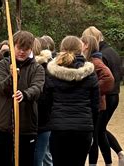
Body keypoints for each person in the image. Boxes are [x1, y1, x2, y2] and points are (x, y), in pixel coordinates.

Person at [0, 31, 45, 166]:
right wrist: (12, 78)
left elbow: (37, 88)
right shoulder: (3, 65)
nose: (22, 52)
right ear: (12, 46)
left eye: (26, 49)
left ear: (31, 49)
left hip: (26, 128)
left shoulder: (37, 68)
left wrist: (25, 94)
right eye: (19, 48)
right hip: (3, 126)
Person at [45, 36, 98, 166]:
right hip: (83, 127)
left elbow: (46, 102)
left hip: (59, 127)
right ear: (80, 49)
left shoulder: (51, 73)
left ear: (61, 49)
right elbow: (95, 105)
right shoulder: (90, 74)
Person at [82, 26, 124, 166]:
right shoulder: (112, 51)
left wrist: (95, 91)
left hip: (106, 96)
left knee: (97, 132)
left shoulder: (100, 55)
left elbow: (107, 77)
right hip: (115, 94)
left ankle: (114, 157)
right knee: (101, 130)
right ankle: (120, 155)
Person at [81, 35, 115, 166]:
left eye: (81, 42)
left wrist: (93, 90)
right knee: (97, 135)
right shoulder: (88, 61)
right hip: (93, 106)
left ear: (86, 45)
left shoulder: (95, 62)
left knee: (94, 137)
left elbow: (108, 78)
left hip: (98, 106)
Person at [33, 38, 54, 166]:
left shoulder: (43, 70)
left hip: (41, 122)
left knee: (39, 158)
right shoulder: (50, 69)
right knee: (44, 156)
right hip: (44, 121)